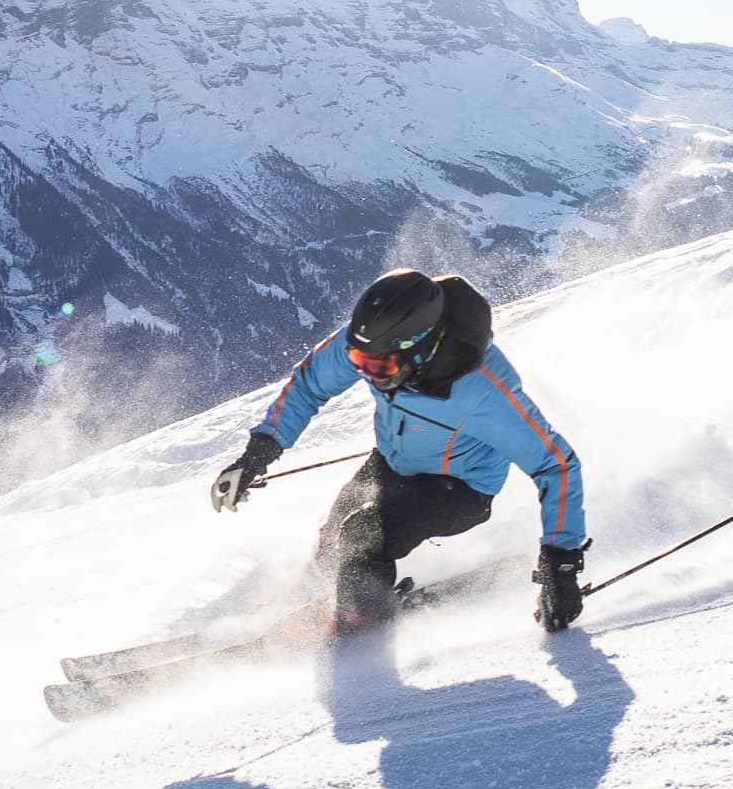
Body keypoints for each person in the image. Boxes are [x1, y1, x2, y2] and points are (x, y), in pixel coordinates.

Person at [210, 269, 591, 635]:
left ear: (422, 349)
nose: (366, 372)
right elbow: (310, 384)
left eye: (378, 365)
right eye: (359, 362)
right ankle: (336, 603)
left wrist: (560, 565)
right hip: (393, 464)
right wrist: (258, 452)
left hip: (462, 489)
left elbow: (555, 465)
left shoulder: (483, 391)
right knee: (332, 541)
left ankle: (358, 621)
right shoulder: (372, 345)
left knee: (362, 533)